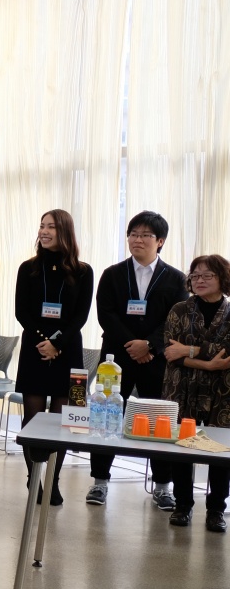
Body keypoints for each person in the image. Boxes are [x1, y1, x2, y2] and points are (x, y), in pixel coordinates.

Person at [86, 211, 188, 508]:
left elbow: (174, 320)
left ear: (160, 241)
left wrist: (149, 346)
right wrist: (132, 345)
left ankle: (162, 486)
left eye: (145, 235)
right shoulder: (113, 274)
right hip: (116, 357)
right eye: (133, 234)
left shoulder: (175, 278)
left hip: (156, 360)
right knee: (107, 415)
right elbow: (106, 314)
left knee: (159, 422)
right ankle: (99, 482)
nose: (137, 240)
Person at [13, 210, 93, 506]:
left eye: (51, 227)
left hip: (68, 349)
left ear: (65, 232)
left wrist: (57, 343)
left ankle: (53, 481)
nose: (44, 232)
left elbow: (80, 316)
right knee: (32, 419)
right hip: (34, 348)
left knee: (62, 422)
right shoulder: (28, 268)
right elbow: (22, 312)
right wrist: (42, 341)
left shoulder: (83, 271)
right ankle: (34, 477)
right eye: (42, 226)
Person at [156, 256, 230, 532]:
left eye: (207, 276)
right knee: (182, 447)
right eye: (195, 276)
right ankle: (182, 505)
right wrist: (210, 362)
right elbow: (170, 353)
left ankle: (216, 510)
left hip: (222, 393)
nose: (198, 280)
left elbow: (228, 355)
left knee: (221, 451)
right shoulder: (179, 310)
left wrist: (190, 350)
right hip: (182, 388)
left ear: (222, 278)